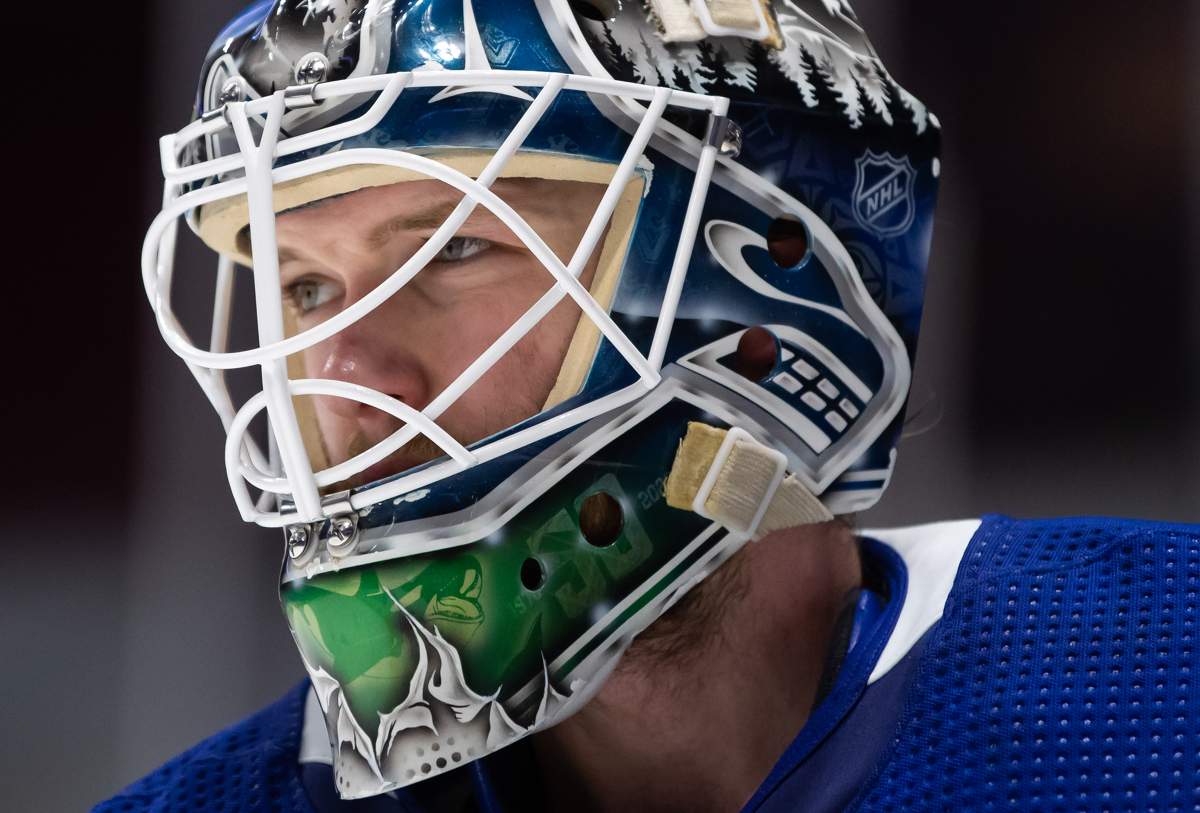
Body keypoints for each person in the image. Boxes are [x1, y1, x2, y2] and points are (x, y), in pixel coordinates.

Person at [100, 1, 1200, 811]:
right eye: (303, 286)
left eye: (459, 247)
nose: (350, 380)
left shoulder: (1151, 687)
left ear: (767, 293)